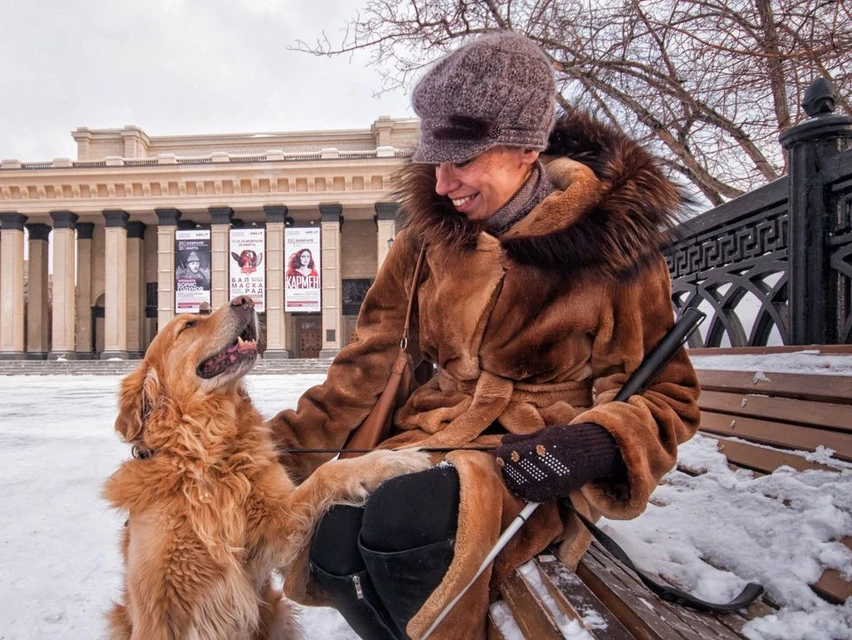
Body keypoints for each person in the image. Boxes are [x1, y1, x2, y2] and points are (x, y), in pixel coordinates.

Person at [269, 31, 699, 640]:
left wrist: (590, 448)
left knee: (403, 522)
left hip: (531, 465)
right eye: (435, 161)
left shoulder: (614, 244)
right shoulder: (427, 240)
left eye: (462, 160)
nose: (443, 184)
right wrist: (273, 452)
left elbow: (670, 398)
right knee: (331, 540)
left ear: (527, 149)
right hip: (426, 439)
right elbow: (367, 360)